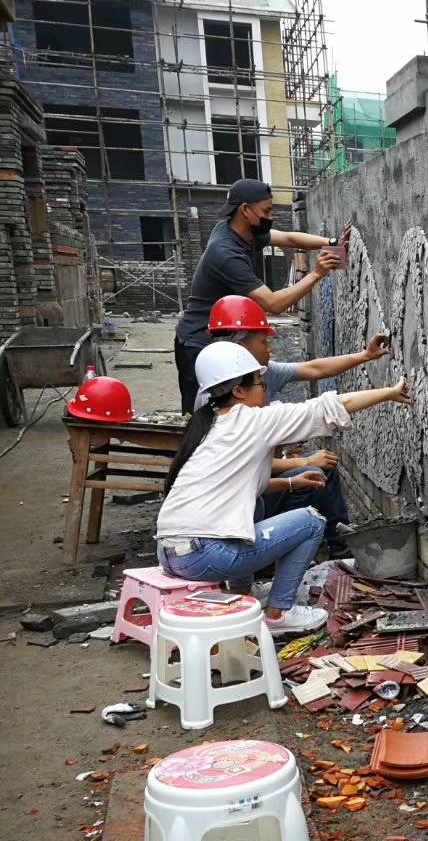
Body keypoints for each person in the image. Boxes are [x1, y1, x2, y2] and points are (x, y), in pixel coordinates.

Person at [155, 340, 411, 635]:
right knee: (311, 521)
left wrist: (292, 481)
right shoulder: (253, 421)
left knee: (257, 506)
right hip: (205, 557)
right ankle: (277, 614)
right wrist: (390, 392)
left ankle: (244, 596)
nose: (264, 388)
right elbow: (329, 408)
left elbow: (240, 488)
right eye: (259, 383)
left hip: (171, 554)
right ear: (238, 390)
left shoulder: (208, 424)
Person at [206, 293, 389, 556]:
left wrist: (365, 356)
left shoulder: (259, 373)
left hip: (240, 494)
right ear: (241, 346)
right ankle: (272, 550)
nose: (270, 347)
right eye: (264, 340)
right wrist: (300, 463)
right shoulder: (218, 399)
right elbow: (241, 469)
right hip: (229, 515)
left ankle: (336, 543)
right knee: (311, 483)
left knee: (317, 471)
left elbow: (314, 369)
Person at [173, 177, 350, 413]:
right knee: (206, 415)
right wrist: (317, 273)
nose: (271, 216)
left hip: (225, 334)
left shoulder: (242, 231)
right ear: (245, 210)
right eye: (266, 210)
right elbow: (274, 303)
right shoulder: (226, 253)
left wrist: (332, 242)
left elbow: (289, 238)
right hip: (199, 342)